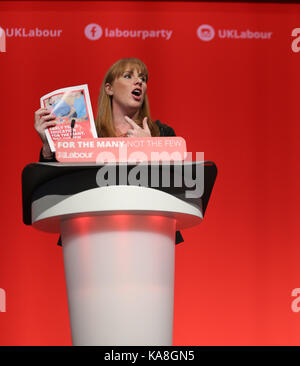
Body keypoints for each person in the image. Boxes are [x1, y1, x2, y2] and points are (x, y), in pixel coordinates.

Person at [34, 57, 183, 244]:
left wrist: (150, 148)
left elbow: (178, 185)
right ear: (109, 89)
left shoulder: (161, 133)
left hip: (149, 234)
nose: (139, 82)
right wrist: (49, 147)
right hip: (89, 234)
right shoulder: (86, 134)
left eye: (143, 79)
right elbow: (59, 185)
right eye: (128, 76)